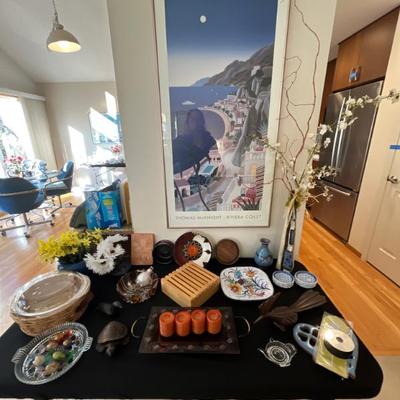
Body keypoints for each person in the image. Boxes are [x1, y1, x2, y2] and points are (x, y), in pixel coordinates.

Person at [172, 109, 216, 174]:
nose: (196, 122)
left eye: (199, 119)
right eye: (193, 119)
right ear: (188, 122)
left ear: (202, 122)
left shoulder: (210, 141)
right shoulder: (179, 143)